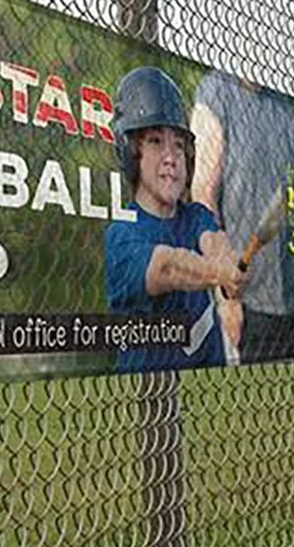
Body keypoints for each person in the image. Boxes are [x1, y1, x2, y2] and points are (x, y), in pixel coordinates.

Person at [105, 66, 248, 374]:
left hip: (204, 396)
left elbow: (214, 242)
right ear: (131, 153)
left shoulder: (195, 216)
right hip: (146, 403)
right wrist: (218, 272)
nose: (171, 156)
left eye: (179, 145)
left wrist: (230, 266)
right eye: (156, 141)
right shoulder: (122, 233)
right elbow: (166, 267)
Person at [190, 70, 294, 364]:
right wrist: (227, 299)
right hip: (248, 306)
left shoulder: (284, 107)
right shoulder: (215, 92)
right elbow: (204, 197)